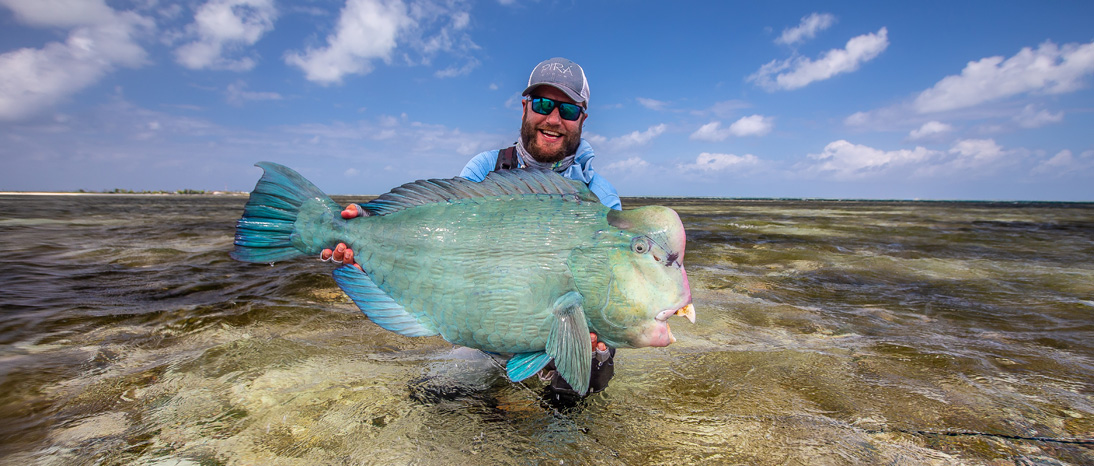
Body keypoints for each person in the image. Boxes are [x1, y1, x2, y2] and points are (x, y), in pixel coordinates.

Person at [321, 57, 620, 397]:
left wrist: (597, 334)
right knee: (428, 395)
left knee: (580, 388)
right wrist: (368, 229)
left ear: (582, 117)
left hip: (563, 332)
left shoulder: (601, 198)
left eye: (567, 110)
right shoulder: (485, 168)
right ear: (525, 107)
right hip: (487, 340)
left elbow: (610, 287)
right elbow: (442, 239)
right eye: (543, 104)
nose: (553, 119)